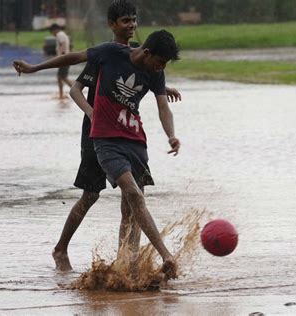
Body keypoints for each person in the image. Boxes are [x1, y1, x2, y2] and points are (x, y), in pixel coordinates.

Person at [13, 29, 181, 278]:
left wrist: (171, 135)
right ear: (147, 52)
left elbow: (163, 107)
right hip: (103, 139)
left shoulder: (154, 71)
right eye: (159, 62)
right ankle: (166, 255)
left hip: (135, 141)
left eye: (133, 21)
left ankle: (128, 267)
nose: (131, 25)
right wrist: (35, 68)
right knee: (118, 194)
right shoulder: (109, 52)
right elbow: (72, 60)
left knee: (131, 207)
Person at [54, 0, 181, 272]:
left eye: (134, 20)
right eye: (125, 21)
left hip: (127, 134)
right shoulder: (105, 55)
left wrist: (162, 84)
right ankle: (60, 249)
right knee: (90, 194)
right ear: (112, 25)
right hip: (97, 132)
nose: (131, 25)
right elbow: (77, 89)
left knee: (132, 200)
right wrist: (92, 114)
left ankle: (127, 262)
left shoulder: (146, 61)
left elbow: (143, 75)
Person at [49, 23, 74, 99]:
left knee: (63, 77)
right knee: (60, 77)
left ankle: (76, 89)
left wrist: (61, 57)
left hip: (64, 59)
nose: (52, 34)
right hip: (64, 58)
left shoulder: (60, 35)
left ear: (54, 30)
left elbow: (62, 45)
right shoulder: (62, 34)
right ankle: (61, 94)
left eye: (52, 32)